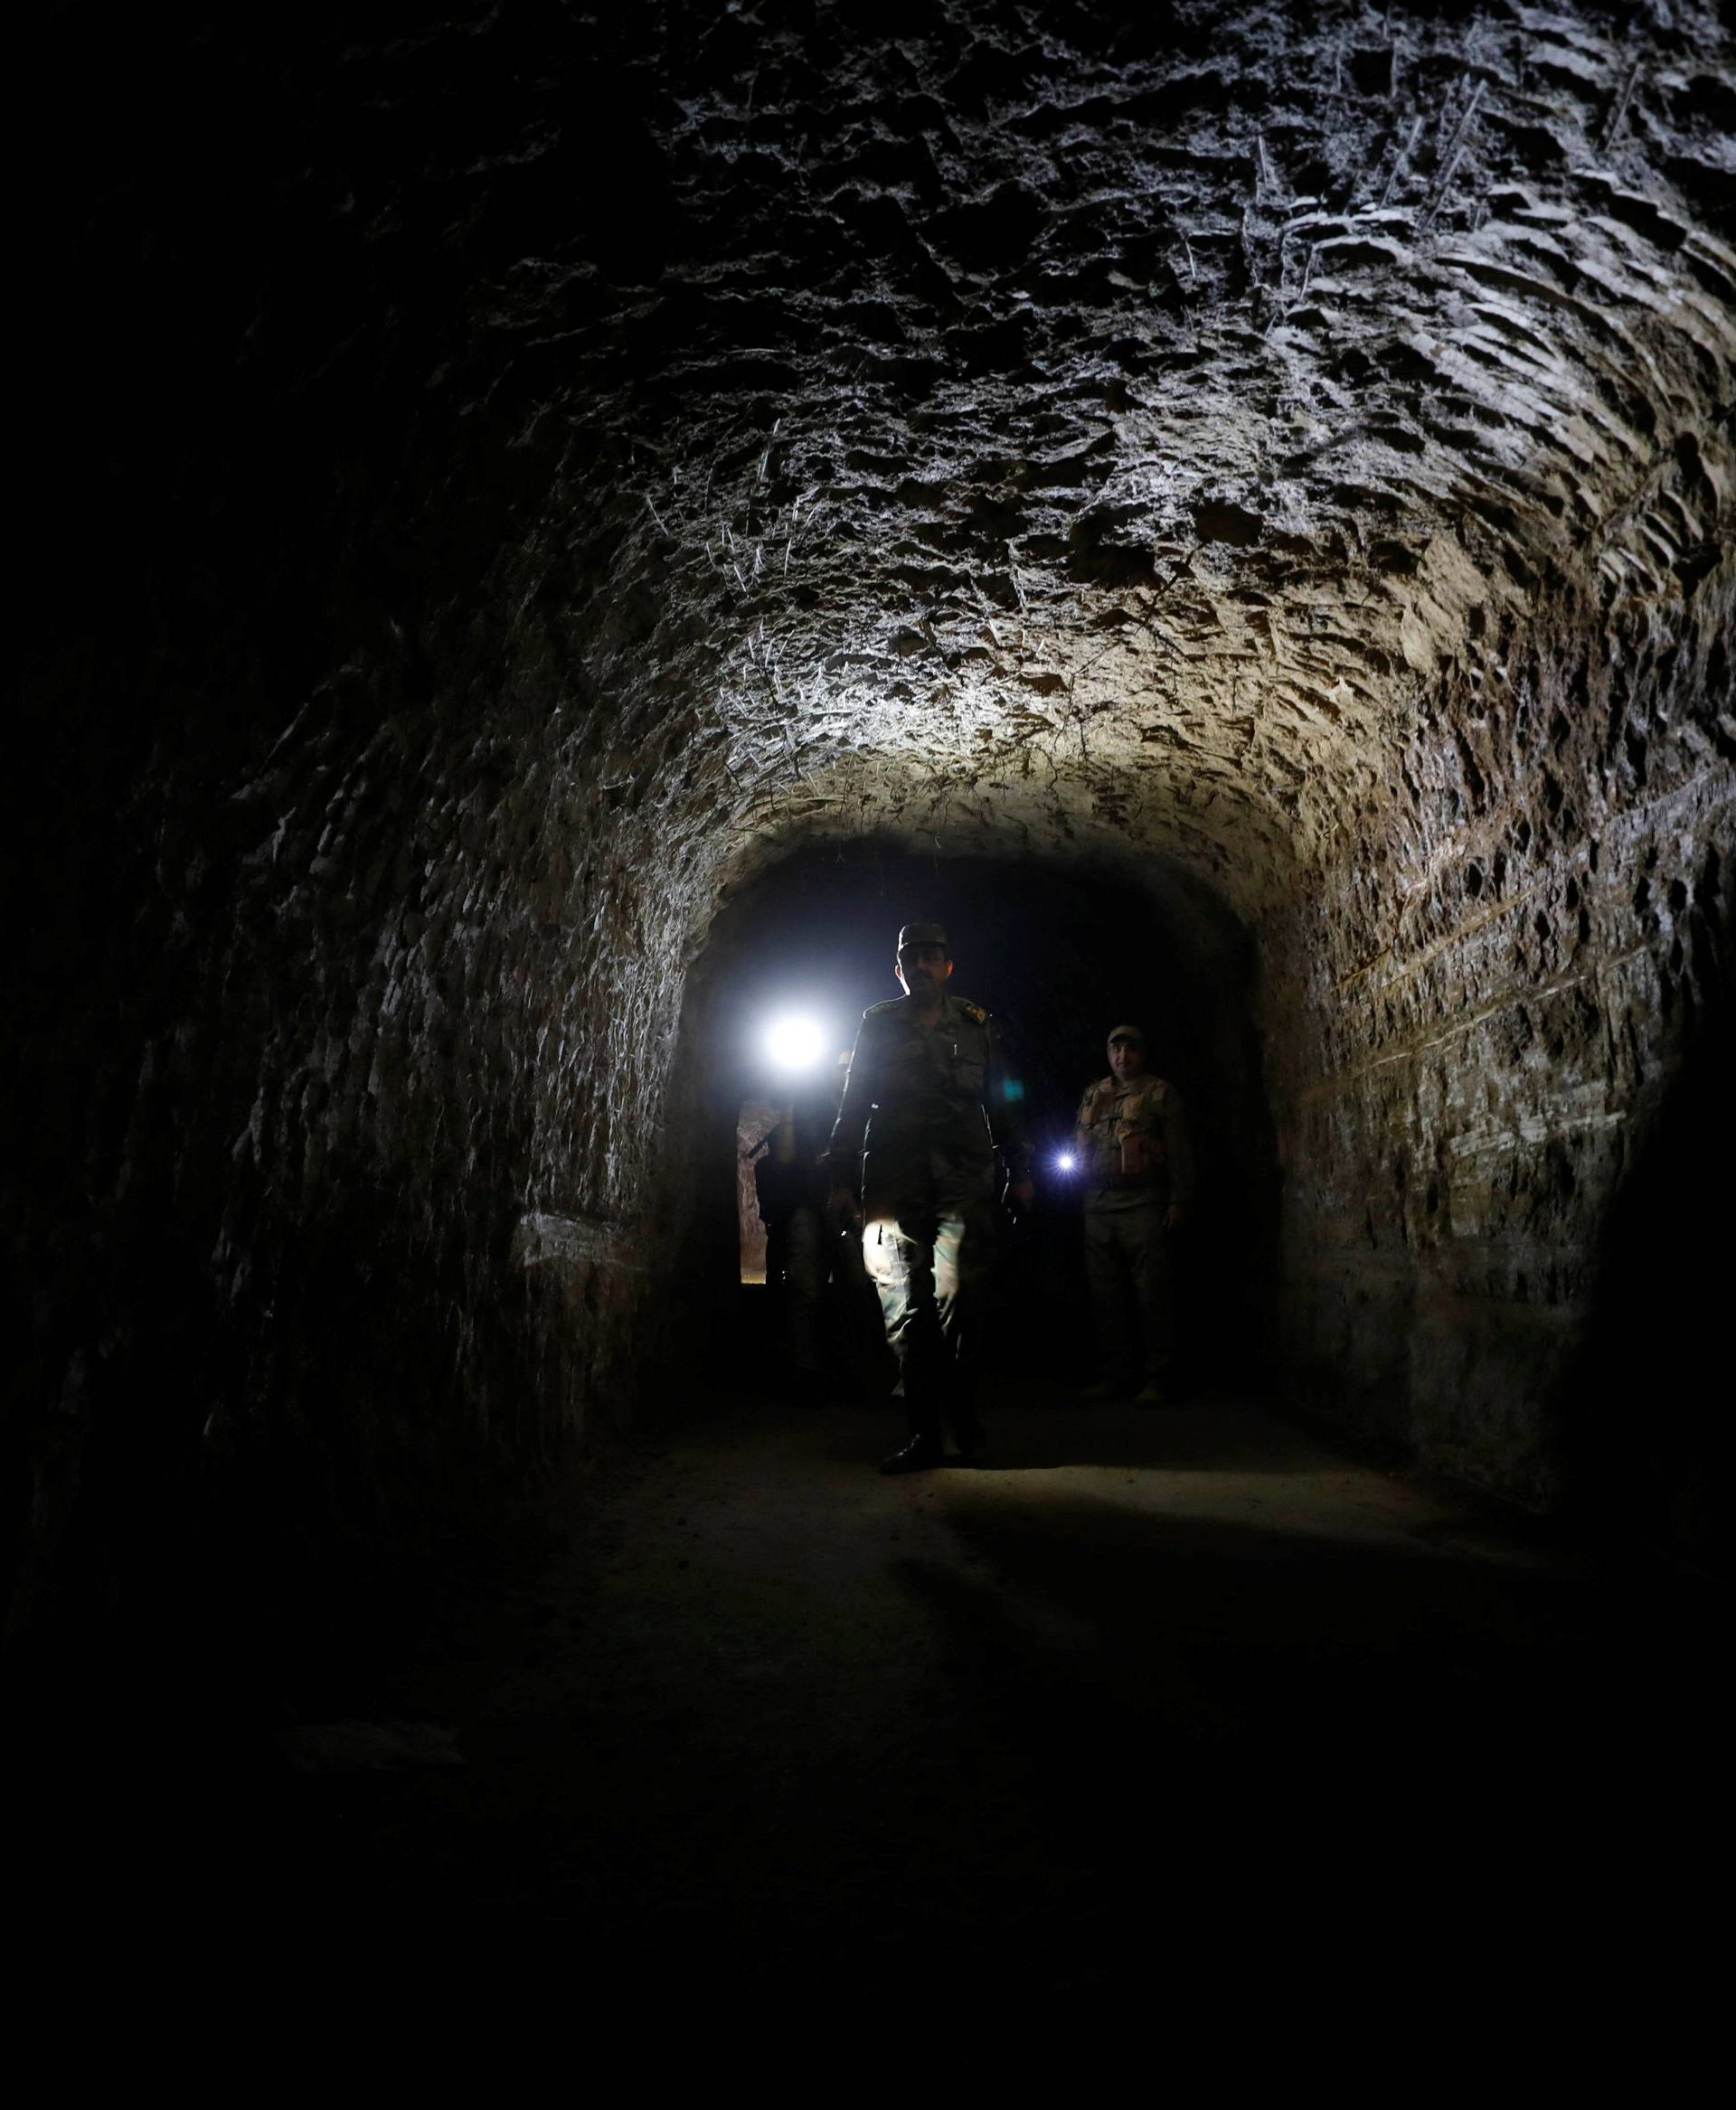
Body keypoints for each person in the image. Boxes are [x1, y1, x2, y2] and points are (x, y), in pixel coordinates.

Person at [827, 921, 1033, 1473]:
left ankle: (965, 1429)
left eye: (930, 957)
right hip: (895, 1185)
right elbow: (854, 1100)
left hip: (964, 1182)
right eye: (910, 958)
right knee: (904, 1309)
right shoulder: (877, 1025)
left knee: (961, 1304)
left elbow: (1005, 1097)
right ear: (898, 970)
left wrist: (1022, 1165)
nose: (920, 966)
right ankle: (923, 1435)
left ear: (948, 966)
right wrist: (841, 1179)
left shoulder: (977, 1026)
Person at [1072, 1023, 1195, 1407]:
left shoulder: (1159, 1093)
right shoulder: (1095, 1093)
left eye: (1130, 1049)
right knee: (1105, 1295)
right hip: (1098, 1204)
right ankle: (1116, 1375)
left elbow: (1179, 1151)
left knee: (1151, 1293)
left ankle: (1159, 1377)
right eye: (1115, 1050)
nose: (1122, 1057)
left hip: (1142, 1203)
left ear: (1142, 1053)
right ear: (1108, 1054)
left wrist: (1179, 1200)